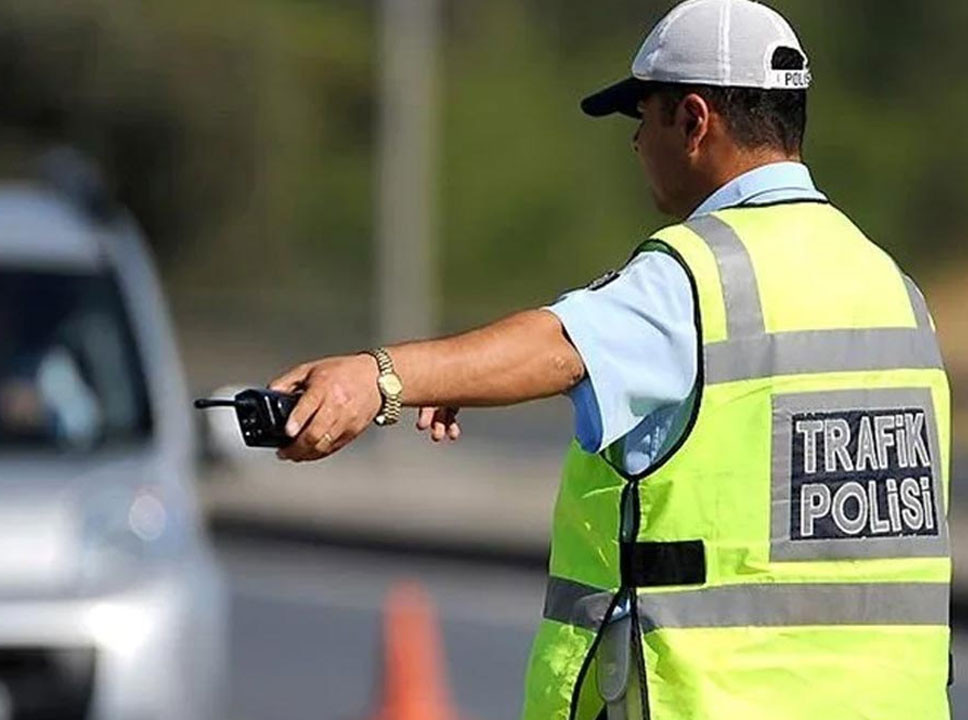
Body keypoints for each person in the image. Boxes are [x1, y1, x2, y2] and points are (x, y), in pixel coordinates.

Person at [266, 0, 952, 718]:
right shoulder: (893, 290)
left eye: (642, 118)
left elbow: (557, 345)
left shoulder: (697, 275)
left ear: (693, 120)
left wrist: (378, 378)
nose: (634, 145)